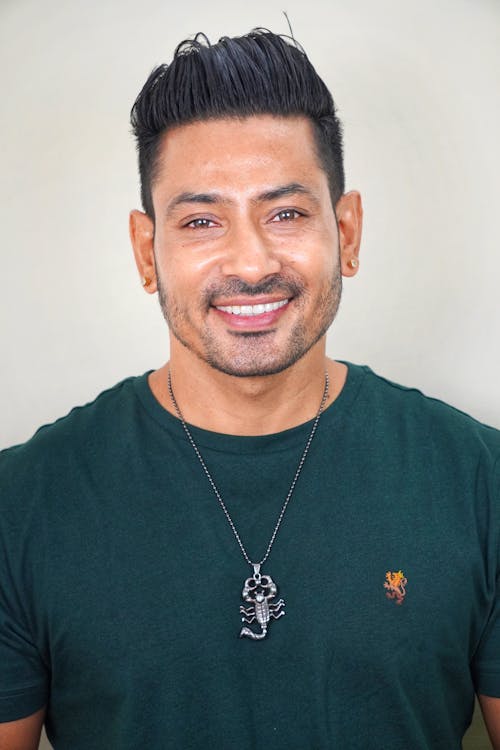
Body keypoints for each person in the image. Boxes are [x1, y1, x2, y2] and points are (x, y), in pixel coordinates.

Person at [0, 28, 499, 750]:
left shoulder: (479, 482)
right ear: (148, 253)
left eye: (287, 213)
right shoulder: (22, 506)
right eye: (202, 220)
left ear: (347, 231)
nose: (251, 260)